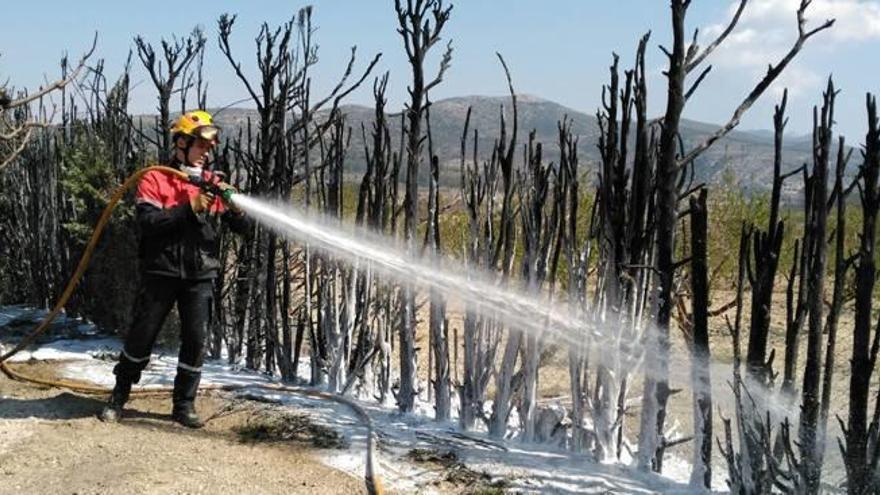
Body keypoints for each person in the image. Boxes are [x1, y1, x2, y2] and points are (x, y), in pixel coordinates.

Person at [99, 110, 250, 428]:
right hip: (162, 271)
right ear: (181, 142)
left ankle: (184, 405)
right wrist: (188, 208)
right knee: (142, 336)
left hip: (200, 273)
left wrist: (236, 209)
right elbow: (148, 223)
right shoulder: (156, 178)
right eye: (200, 145)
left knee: (196, 339)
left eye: (209, 147)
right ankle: (118, 396)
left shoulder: (211, 183)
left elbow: (243, 229)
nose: (206, 152)